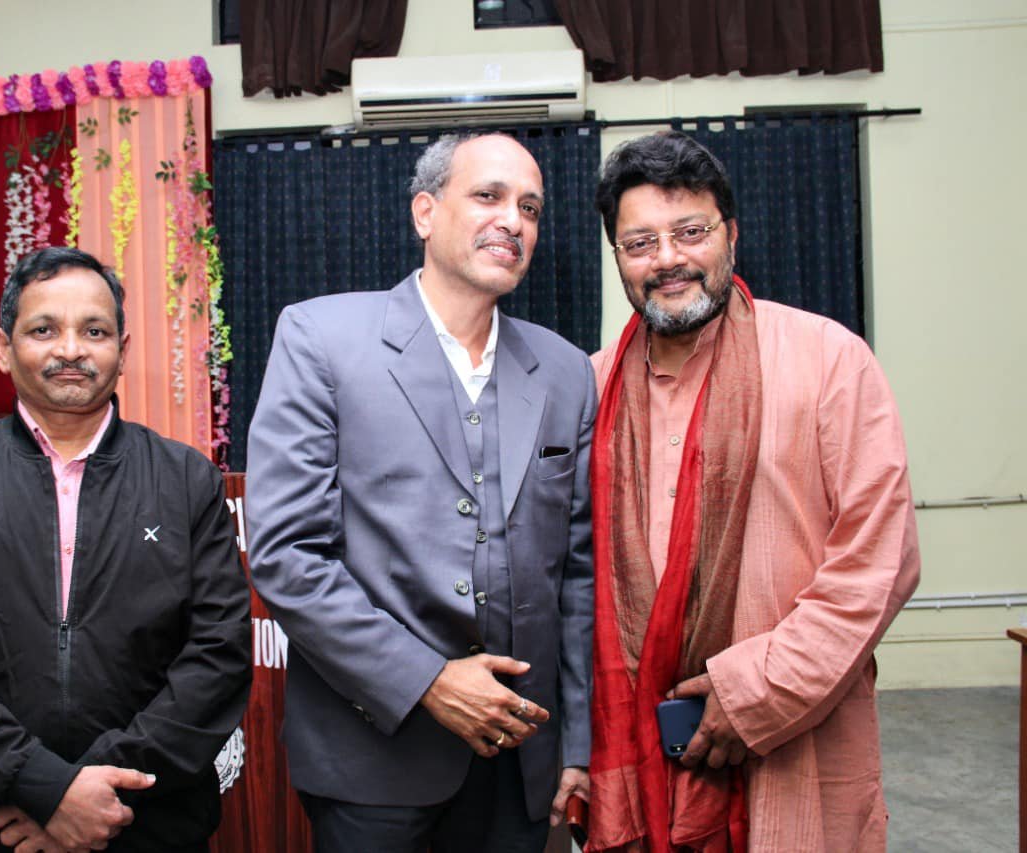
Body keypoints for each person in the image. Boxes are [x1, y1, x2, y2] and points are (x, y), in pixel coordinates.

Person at [245, 133, 596, 851]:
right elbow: (288, 554)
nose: (513, 220)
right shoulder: (322, 338)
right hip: (372, 753)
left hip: (520, 757)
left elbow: (578, 576)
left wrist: (577, 742)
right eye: (489, 196)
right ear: (425, 213)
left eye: (530, 208)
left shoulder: (565, 370)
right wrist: (427, 680)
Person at [584, 130, 920, 851]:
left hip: (795, 738)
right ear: (616, 257)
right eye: (639, 243)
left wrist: (755, 693)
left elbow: (879, 561)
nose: (667, 259)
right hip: (635, 748)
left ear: (730, 235)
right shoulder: (590, 385)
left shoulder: (829, 360)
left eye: (690, 232)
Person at [0, 246, 252, 853]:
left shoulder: (186, 479)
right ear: (4, 348)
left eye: (95, 331)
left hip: (152, 817)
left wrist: (96, 795)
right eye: (44, 330)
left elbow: (217, 655)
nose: (72, 349)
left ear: (122, 352)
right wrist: (42, 786)